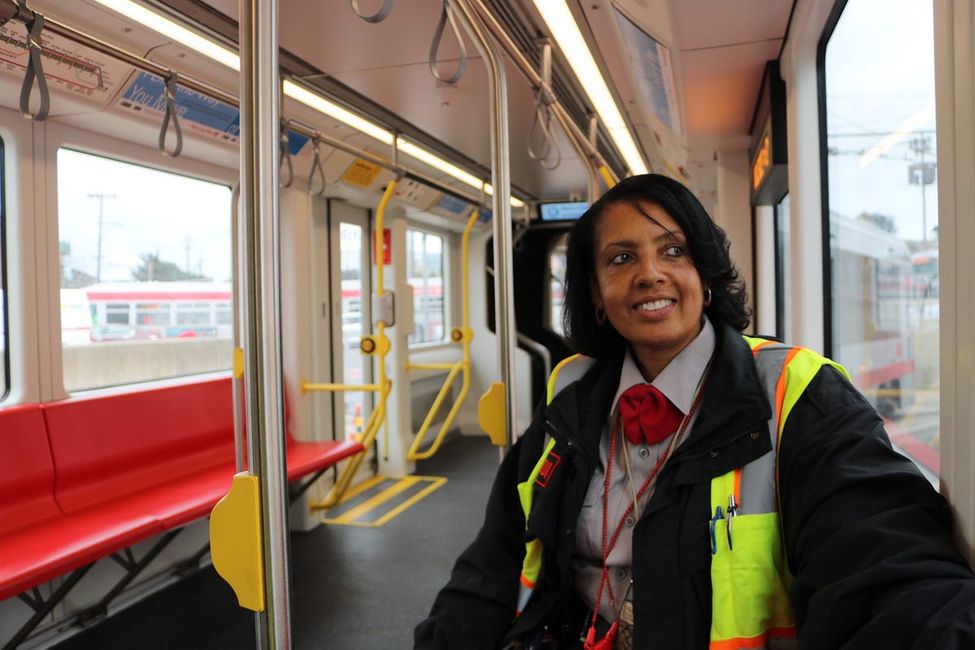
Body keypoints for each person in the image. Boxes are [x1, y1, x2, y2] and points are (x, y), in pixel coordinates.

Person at [414, 174, 975, 649]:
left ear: (705, 277)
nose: (649, 274)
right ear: (596, 294)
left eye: (673, 250)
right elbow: (494, 559)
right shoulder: (572, 398)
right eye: (621, 258)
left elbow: (885, 564)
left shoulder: (796, 393)